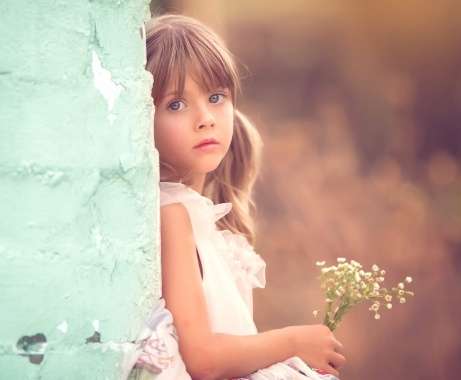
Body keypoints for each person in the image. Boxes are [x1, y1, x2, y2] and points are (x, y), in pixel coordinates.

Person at [126, 14, 346, 380]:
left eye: (215, 97)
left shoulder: (197, 215)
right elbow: (203, 359)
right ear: (143, 116)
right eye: (176, 105)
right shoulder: (171, 214)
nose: (205, 119)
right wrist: (293, 342)